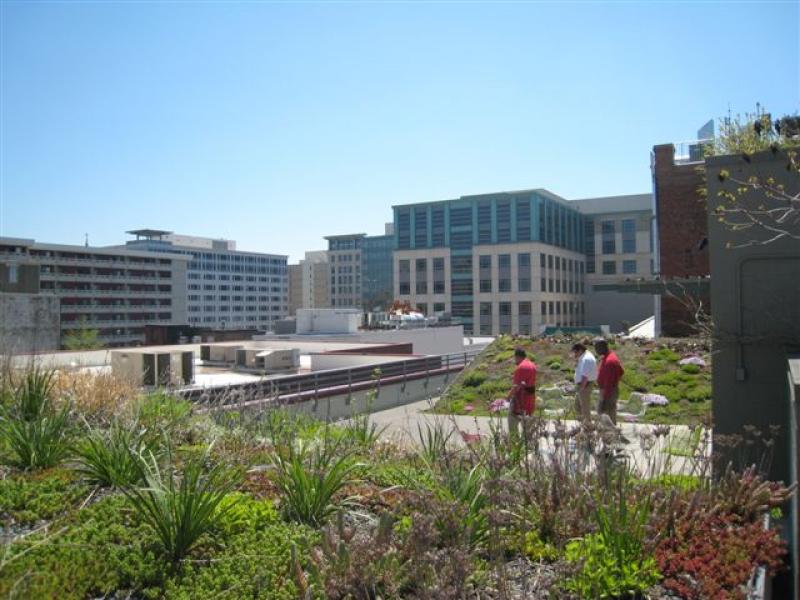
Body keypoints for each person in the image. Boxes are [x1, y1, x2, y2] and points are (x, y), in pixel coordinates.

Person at [505, 347, 537, 439]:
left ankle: (516, 446)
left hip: (520, 401)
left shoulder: (521, 367)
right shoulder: (532, 365)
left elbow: (516, 386)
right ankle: (528, 447)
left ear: (517, 356)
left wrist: (507, 397)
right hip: (530, 400)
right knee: (527, 428)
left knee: (512, 423)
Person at [594, 338, 624, 424]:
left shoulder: (609, 361)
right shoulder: (610, 356)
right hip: (611, 390)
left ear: (603, 347)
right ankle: (611, 434)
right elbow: (621, 371)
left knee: (604, 414)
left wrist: (604, 399)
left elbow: (608, 383)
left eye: (597, 348)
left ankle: (610, 434)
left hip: (608, 392)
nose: (596, 350)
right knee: (610, 414)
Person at [571, 340, 597, 422]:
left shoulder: (586, 359)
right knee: (577, 406)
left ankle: (588, 427)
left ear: (580, 350)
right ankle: (583, 424)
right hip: (583, 385)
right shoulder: (583, 357)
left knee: (584, 407)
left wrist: (581, 388)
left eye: (575, 352)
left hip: (585, 385)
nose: (575, 354)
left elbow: (585, 376)